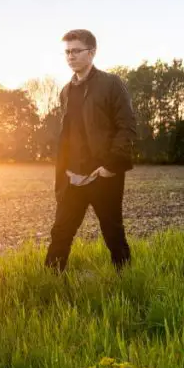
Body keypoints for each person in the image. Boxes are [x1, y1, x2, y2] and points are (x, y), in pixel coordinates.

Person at [45, 29, 136, 274]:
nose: (70, 56)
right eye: (67, 52)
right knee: (61, 232)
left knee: (113, 232)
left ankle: (127, 280)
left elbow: (126, 127)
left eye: (76, 51)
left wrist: (110, 166)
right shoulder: (66, 91)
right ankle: (49, 283)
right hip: (72, 177)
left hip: (102, 174)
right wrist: (63, 173)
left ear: (92, 53)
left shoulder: (111, 84)